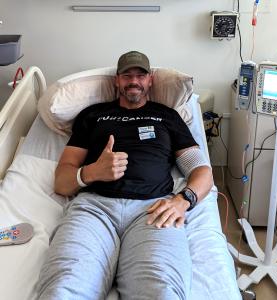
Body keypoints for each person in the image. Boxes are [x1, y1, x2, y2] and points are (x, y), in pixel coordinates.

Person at [36, 51, 213, 300]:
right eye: (127, 75)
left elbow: (201, 170)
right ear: (116, 81)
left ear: (150, 80)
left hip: (155, 209)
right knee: (63, 288)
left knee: (161, 291)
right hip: (93, 209)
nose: (134, 81)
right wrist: (91, 172)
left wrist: (183, 200)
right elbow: (62, 182)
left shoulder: (167, 116)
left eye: (140, 75)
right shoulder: (92, 115)